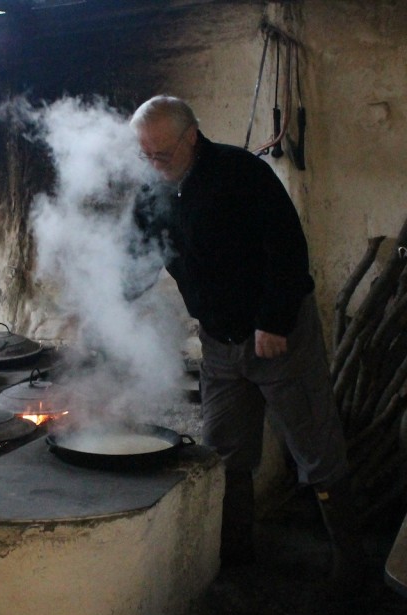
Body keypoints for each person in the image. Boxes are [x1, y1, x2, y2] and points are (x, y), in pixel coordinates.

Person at [128, 95, 364, 589]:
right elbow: (139, 258)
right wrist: (108, 305)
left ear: (191, 137)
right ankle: (234, 553)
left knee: (314, 446)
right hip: (219, 342)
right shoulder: (152, 192)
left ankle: (351, 560)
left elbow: (286, 248)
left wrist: (274, 322)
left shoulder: (240, 173)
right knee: (224, 451)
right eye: (144, 155)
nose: (153, 165)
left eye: (162, 154)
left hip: (278, 335)